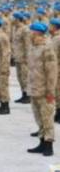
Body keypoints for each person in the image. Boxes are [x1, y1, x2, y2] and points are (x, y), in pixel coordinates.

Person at [27, 22, 57, 157]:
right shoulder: (33, 48)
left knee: (47, 118)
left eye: (31, 31)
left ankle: (49, 145)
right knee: (39, 117)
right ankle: (41, 142)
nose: (29, 33)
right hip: (34, 88)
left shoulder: (47, 48)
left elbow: (52, 72)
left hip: (44, 90)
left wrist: (50, 91)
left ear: (37, 33)